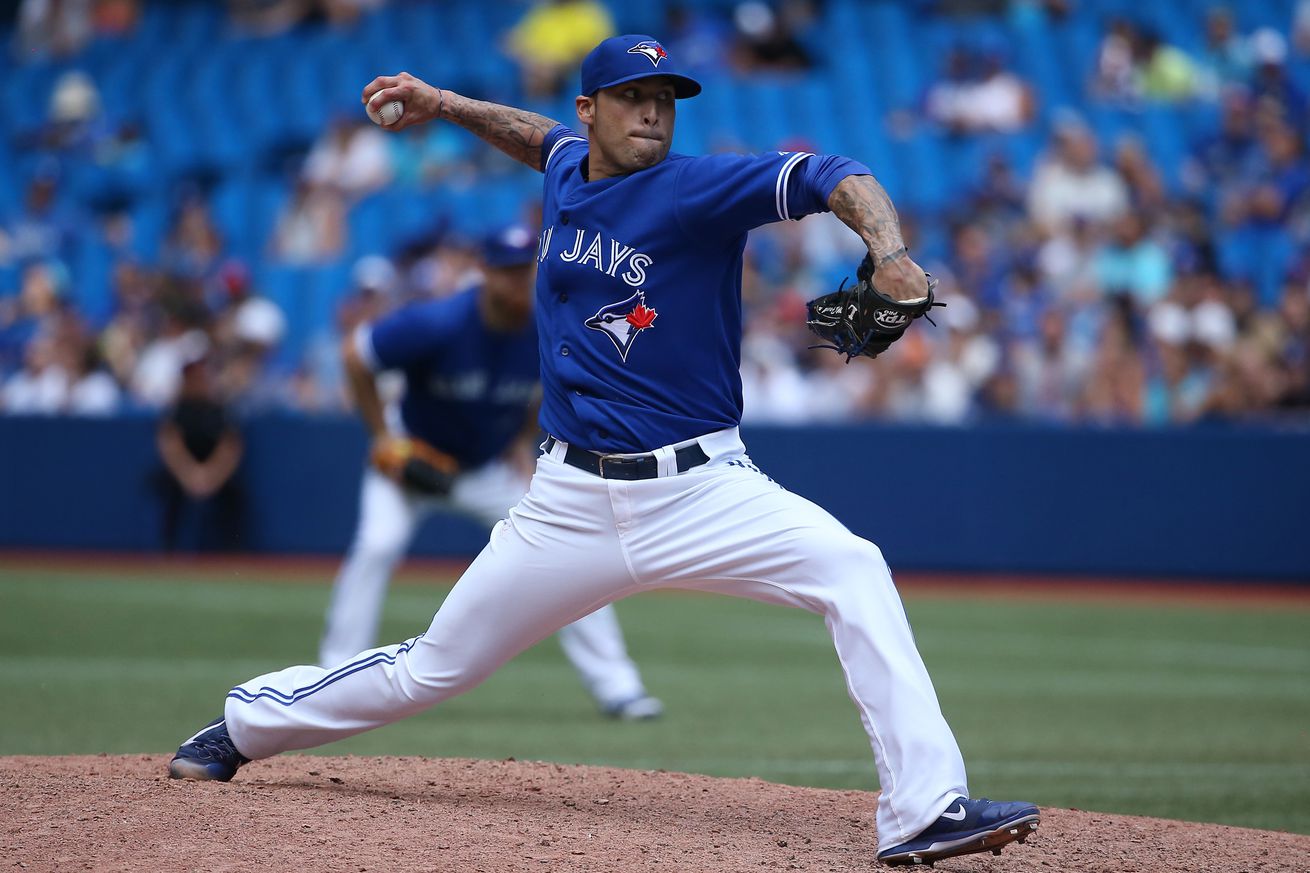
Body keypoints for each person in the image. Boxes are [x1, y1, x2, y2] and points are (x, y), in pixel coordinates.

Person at [169, 34, 1038, 867]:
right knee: (431, 668)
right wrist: (437, 102)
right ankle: (245, 725)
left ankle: (924, 809)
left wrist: (887, 250)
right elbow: (532, 135)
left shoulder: (697, 190)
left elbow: (830, 173)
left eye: (664, 100)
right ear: (591, 109)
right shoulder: (565, 172)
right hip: (567, 504)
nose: (653, 114)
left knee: (853, 568)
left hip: (704, 490)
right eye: (632, 99)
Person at [319, 223, 663, 720]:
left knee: (567, 551)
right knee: (377, 544)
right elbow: (356, 355)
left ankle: (618, 685)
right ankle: (334, 672)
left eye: (524, 271)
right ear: (484, 272)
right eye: (506, 271)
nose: (516, 282)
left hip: (484, 467)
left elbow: (554, 388)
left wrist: (521, 442)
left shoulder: (548, 330)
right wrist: (382, 438)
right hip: (412, 458)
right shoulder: (439, 322)